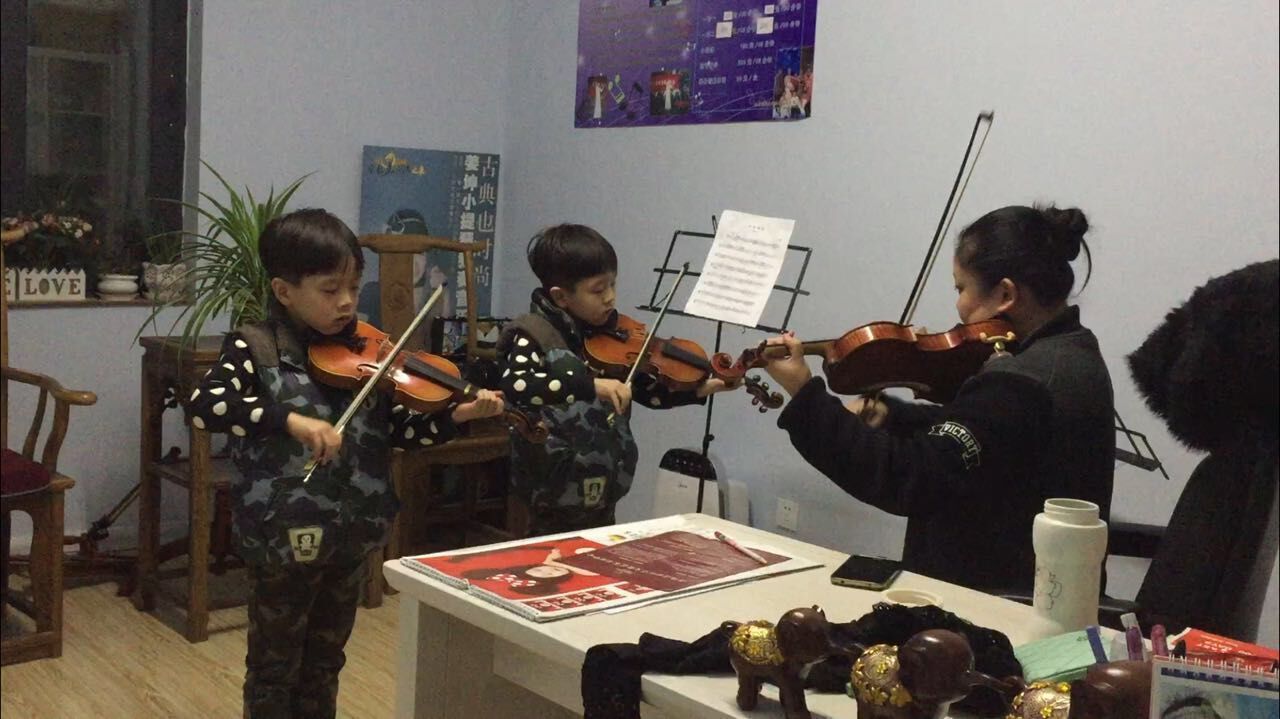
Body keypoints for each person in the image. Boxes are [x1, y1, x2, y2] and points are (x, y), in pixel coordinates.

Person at [187, 208, 504, 718]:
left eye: (354, 287)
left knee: (326, 661)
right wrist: (290, 421)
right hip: (283, 533)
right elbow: (206, 407)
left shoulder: (369, 350)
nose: (347, 302)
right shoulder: (255, 346)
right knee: (274, 666)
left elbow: (400, 433)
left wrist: (457, 415)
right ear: (284, 291)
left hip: (352, 527)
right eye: (330, 289)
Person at [760, 205, 1114, 591]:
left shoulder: (1020, 382)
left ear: (1006, 293)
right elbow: (989, 440)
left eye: (961, 288)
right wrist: (894, 416)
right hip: (1041, 590)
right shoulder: (1072, 350)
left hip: (992, 605)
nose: (958, 306)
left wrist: (805, 395)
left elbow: (908, 477)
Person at [497, 223, 736, 536]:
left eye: (613, 285)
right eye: (598, 290)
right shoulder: (534, 334)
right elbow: (518, 386)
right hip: (552, 488)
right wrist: (591, 385)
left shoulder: (609, 335)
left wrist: (697, 390)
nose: (610, 297)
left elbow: (643, 391)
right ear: (561, 296)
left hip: (606, 484)